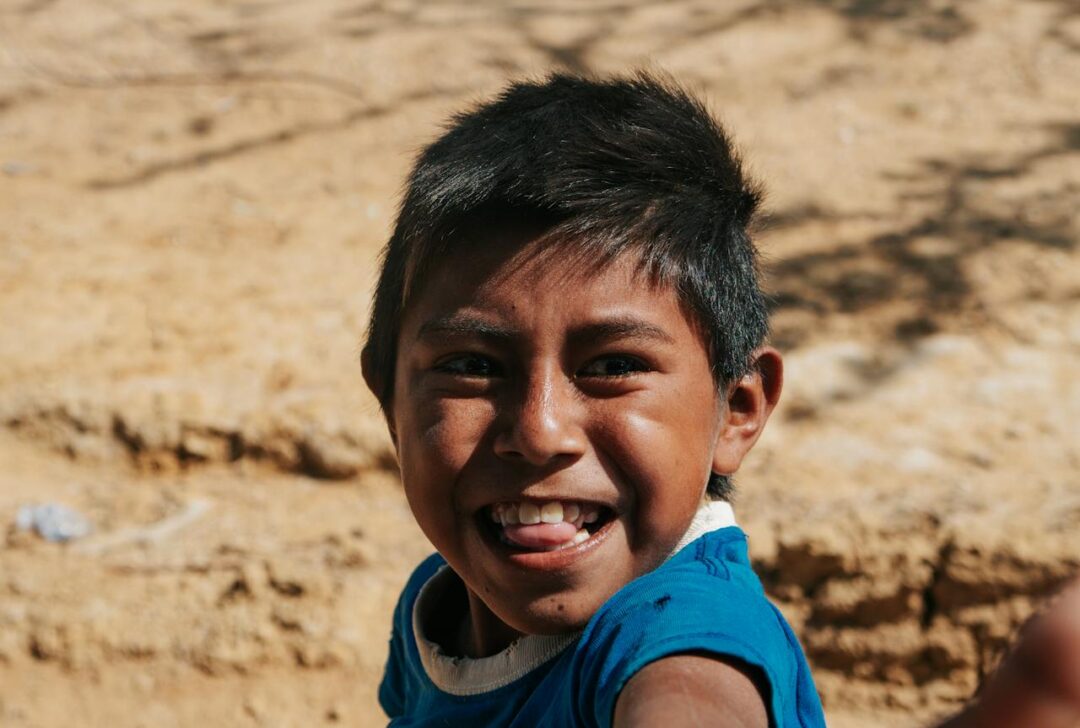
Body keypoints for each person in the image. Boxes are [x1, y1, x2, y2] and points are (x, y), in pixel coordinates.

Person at [361, 71, 1080, 727]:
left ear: (738, 411)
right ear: (386, 395)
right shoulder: (445, 599)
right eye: (472, 366)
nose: (541, 430)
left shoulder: (684, 638)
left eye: (612, 365)